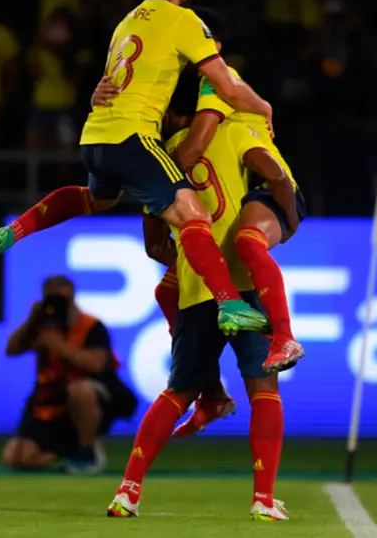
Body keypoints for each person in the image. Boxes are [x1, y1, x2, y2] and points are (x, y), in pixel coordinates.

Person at [0, 0, 276, 337]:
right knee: (192, 216)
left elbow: (114, 82)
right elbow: (227, 86)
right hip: (132, 136)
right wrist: (264, 107)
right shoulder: (185, 21)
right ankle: (230, 304)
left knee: (97, 199)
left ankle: (9, 233)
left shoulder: (126, 22)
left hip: (96, 135)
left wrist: (97, 94)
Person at [106, 72, 289, 521]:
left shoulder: (161, 158)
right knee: (263, 388)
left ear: (171, 112)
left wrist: (187, 261)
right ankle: (263, 499)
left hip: (196, 291)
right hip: (245, 284)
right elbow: (272, 171)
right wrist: (287, 214)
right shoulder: (235, 130)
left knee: (176, 392)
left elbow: (153, 245)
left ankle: (127, 492)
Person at [94, 7, 308, 375]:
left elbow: (193, 149)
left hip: (243, 185)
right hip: (192, 183)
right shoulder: (174, 78)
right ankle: (209, 387)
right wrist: (100, 93)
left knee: (246, 245)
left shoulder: (214, 80)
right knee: (166, 290)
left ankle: (279, 337)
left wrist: (150, 168)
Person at [3, 276, 137, 474]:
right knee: (16, 458)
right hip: (51, 401)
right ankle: (67, 451)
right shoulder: (42, 326)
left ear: (74, 298)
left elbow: (97, 363)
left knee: (80, 390)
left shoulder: (91, 326)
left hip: (93, 398)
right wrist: (31, 320)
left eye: (66, 299)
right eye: (54, 299)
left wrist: (58, 346)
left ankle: (87, 449)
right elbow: (12, 349)